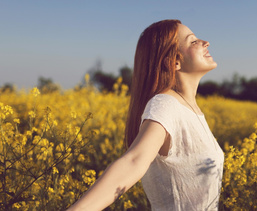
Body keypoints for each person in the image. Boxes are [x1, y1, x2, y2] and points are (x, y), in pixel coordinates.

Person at [67, 19, 224, 211]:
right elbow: (134, 161)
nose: (205, 42)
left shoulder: (191, 110)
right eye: (193, 41)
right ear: (174, 61)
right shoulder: (166, 105)